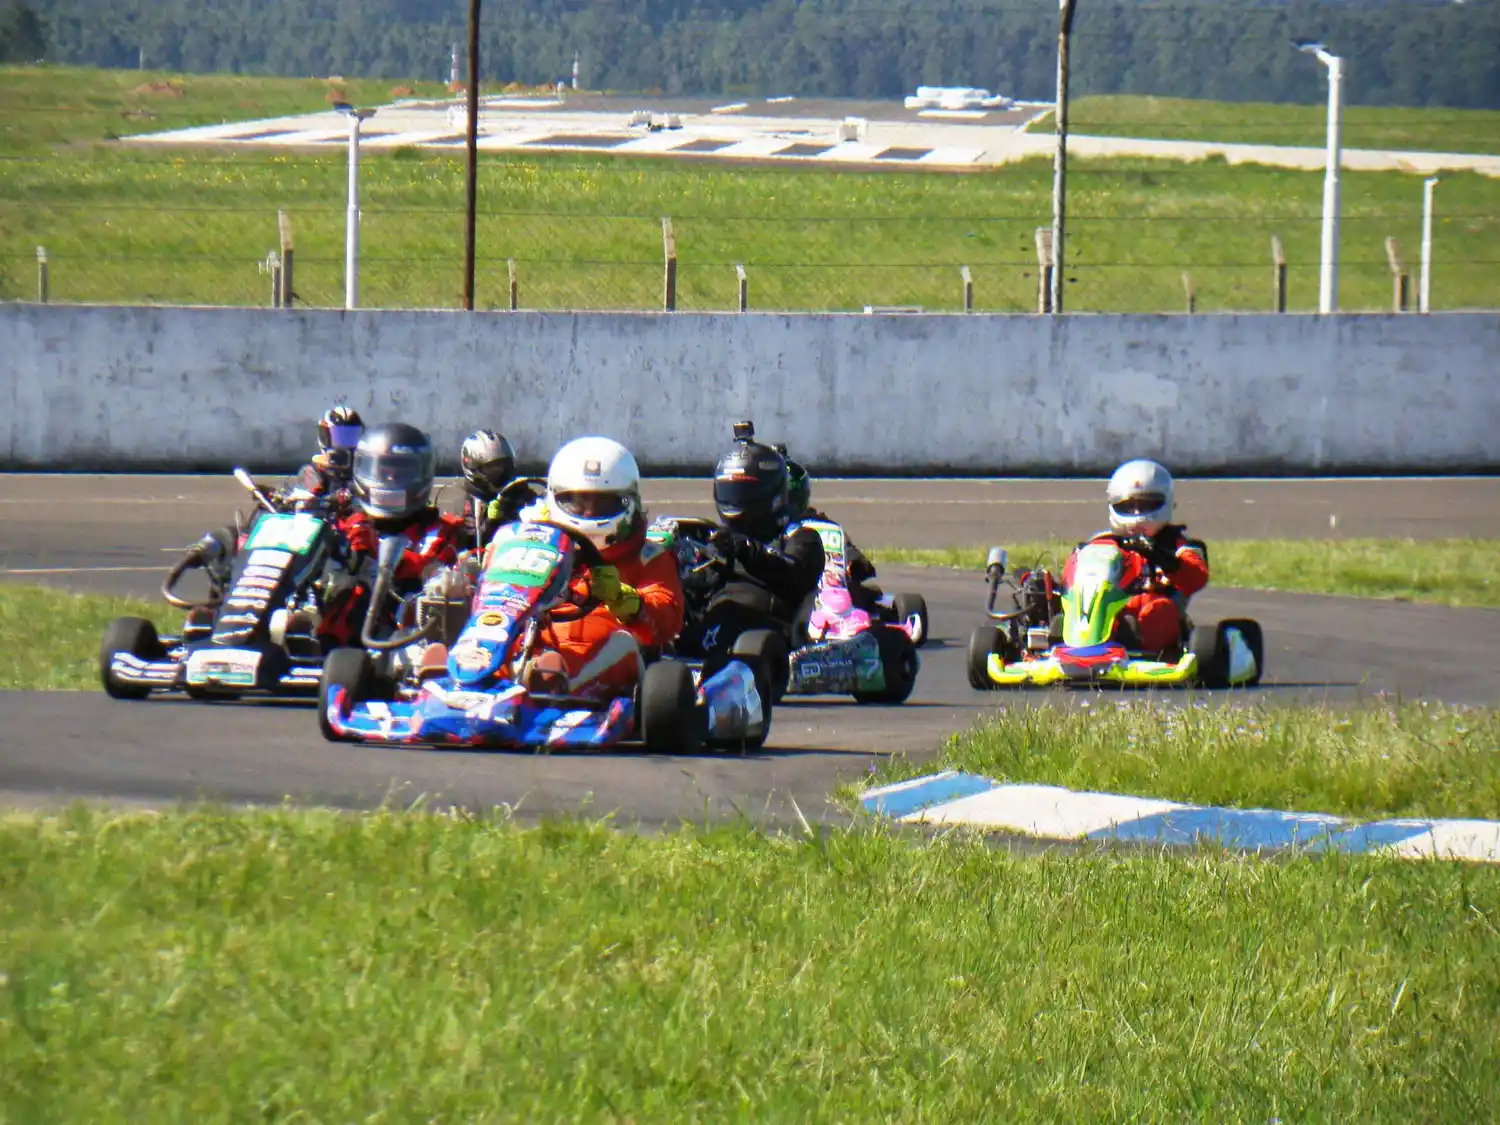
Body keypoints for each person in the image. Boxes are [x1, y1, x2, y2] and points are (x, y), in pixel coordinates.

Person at [509, 436, 685, 696]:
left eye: (602, 504)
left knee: (618, 644)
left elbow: (667, 620)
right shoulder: (533, 545)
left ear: (628, 502)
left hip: (611, 645)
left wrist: (624, 599)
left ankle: (553, 682)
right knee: (504, 637)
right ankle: (462, 673)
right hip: (538, 641)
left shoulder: (648, 556)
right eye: (578, 502)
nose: (589, 514)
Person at [678, 422, 824, 656]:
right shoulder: (718, 539)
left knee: (733, 622)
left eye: (742, 493)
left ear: (768, 494)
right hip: (713, 624)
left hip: (764, 631)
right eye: (730, 492)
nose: (735, 500)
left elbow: (796, 574)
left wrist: (746, 549)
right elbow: (701, 587)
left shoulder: (800, 536)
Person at [318, 422, 469, 649]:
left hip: (405, 628)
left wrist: (368, 556)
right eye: (383, 471)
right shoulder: (349, 524)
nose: (390, 479)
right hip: (344, 630)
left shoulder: (440, 530)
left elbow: (425, 566)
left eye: (400, 472)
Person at [1065, 458, 1209, 655]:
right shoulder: (1102, 542)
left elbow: (1196, 578)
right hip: (1109, 605)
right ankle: (1076, 645)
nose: (1137, 513)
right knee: (1065, 608)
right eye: (1129, 505)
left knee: (1158, 611)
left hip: (1156, 610)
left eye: (1145, 505)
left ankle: (1153, 656)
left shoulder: (1177, 543)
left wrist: (1165, 559)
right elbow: (1072, 578)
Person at [456, 428, 519, 547]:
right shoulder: (466, 503)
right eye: (491, 467)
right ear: (474, 468)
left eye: (501, 465)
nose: (499, 471)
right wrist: (491, 522)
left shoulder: (517, 491)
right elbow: (469, 544)